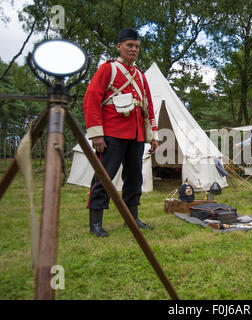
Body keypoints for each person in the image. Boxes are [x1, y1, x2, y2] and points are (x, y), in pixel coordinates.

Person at [83, 28, 159, 237]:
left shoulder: (141, 76)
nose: (134, 50)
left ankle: (132, 219)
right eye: (129, 46)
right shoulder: (109, 69)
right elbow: (91, 99)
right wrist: (96, 134)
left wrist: (152, 136)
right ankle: (95, 224)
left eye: (136, 46)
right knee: (104, 177)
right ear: (119, 46)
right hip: (112, 134)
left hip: (136, 136)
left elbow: (148, 107)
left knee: (134, 178)